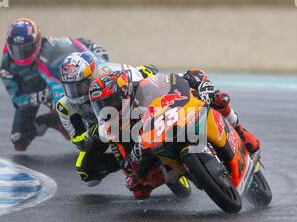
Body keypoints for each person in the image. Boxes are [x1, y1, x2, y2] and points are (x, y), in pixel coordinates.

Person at [89, 69, 261, 198]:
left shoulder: (145, 87)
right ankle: (185, 170)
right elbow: (126, 167)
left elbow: (179, 78)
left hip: (178, 116)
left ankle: (240, 131)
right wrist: (136, 156)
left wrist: (201, 85)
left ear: (124, 92)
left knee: (218, 99)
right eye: (100, 105)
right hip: (156, 151)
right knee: (138, 189)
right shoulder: (113, 130)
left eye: (109, 102)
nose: (106, 108)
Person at [0, 17, 108, 151]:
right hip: (30, 95)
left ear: (37, 42)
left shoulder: (50, 45)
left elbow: (75, 44)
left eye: (26, 49)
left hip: (54, 86)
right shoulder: (6, 68)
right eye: (16, 50)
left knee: (73, 111)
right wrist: (35, 98)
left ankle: (63, 119)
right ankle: (49, 120)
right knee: (19, 140)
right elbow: (16, 99)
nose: (21, 55)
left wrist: (95, 50)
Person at [56, 51, 158, 187]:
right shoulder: (65, 106)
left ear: (91, 77)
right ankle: (121, 164)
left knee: (150, 79)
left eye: (80, 86)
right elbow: (78, 141)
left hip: (125, 111)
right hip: (98, 131)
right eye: (69, 87)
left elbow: (135, 73)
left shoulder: (107, 72)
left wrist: (147, 73)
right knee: (86, 172)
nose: (75, 92)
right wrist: (91, 133)